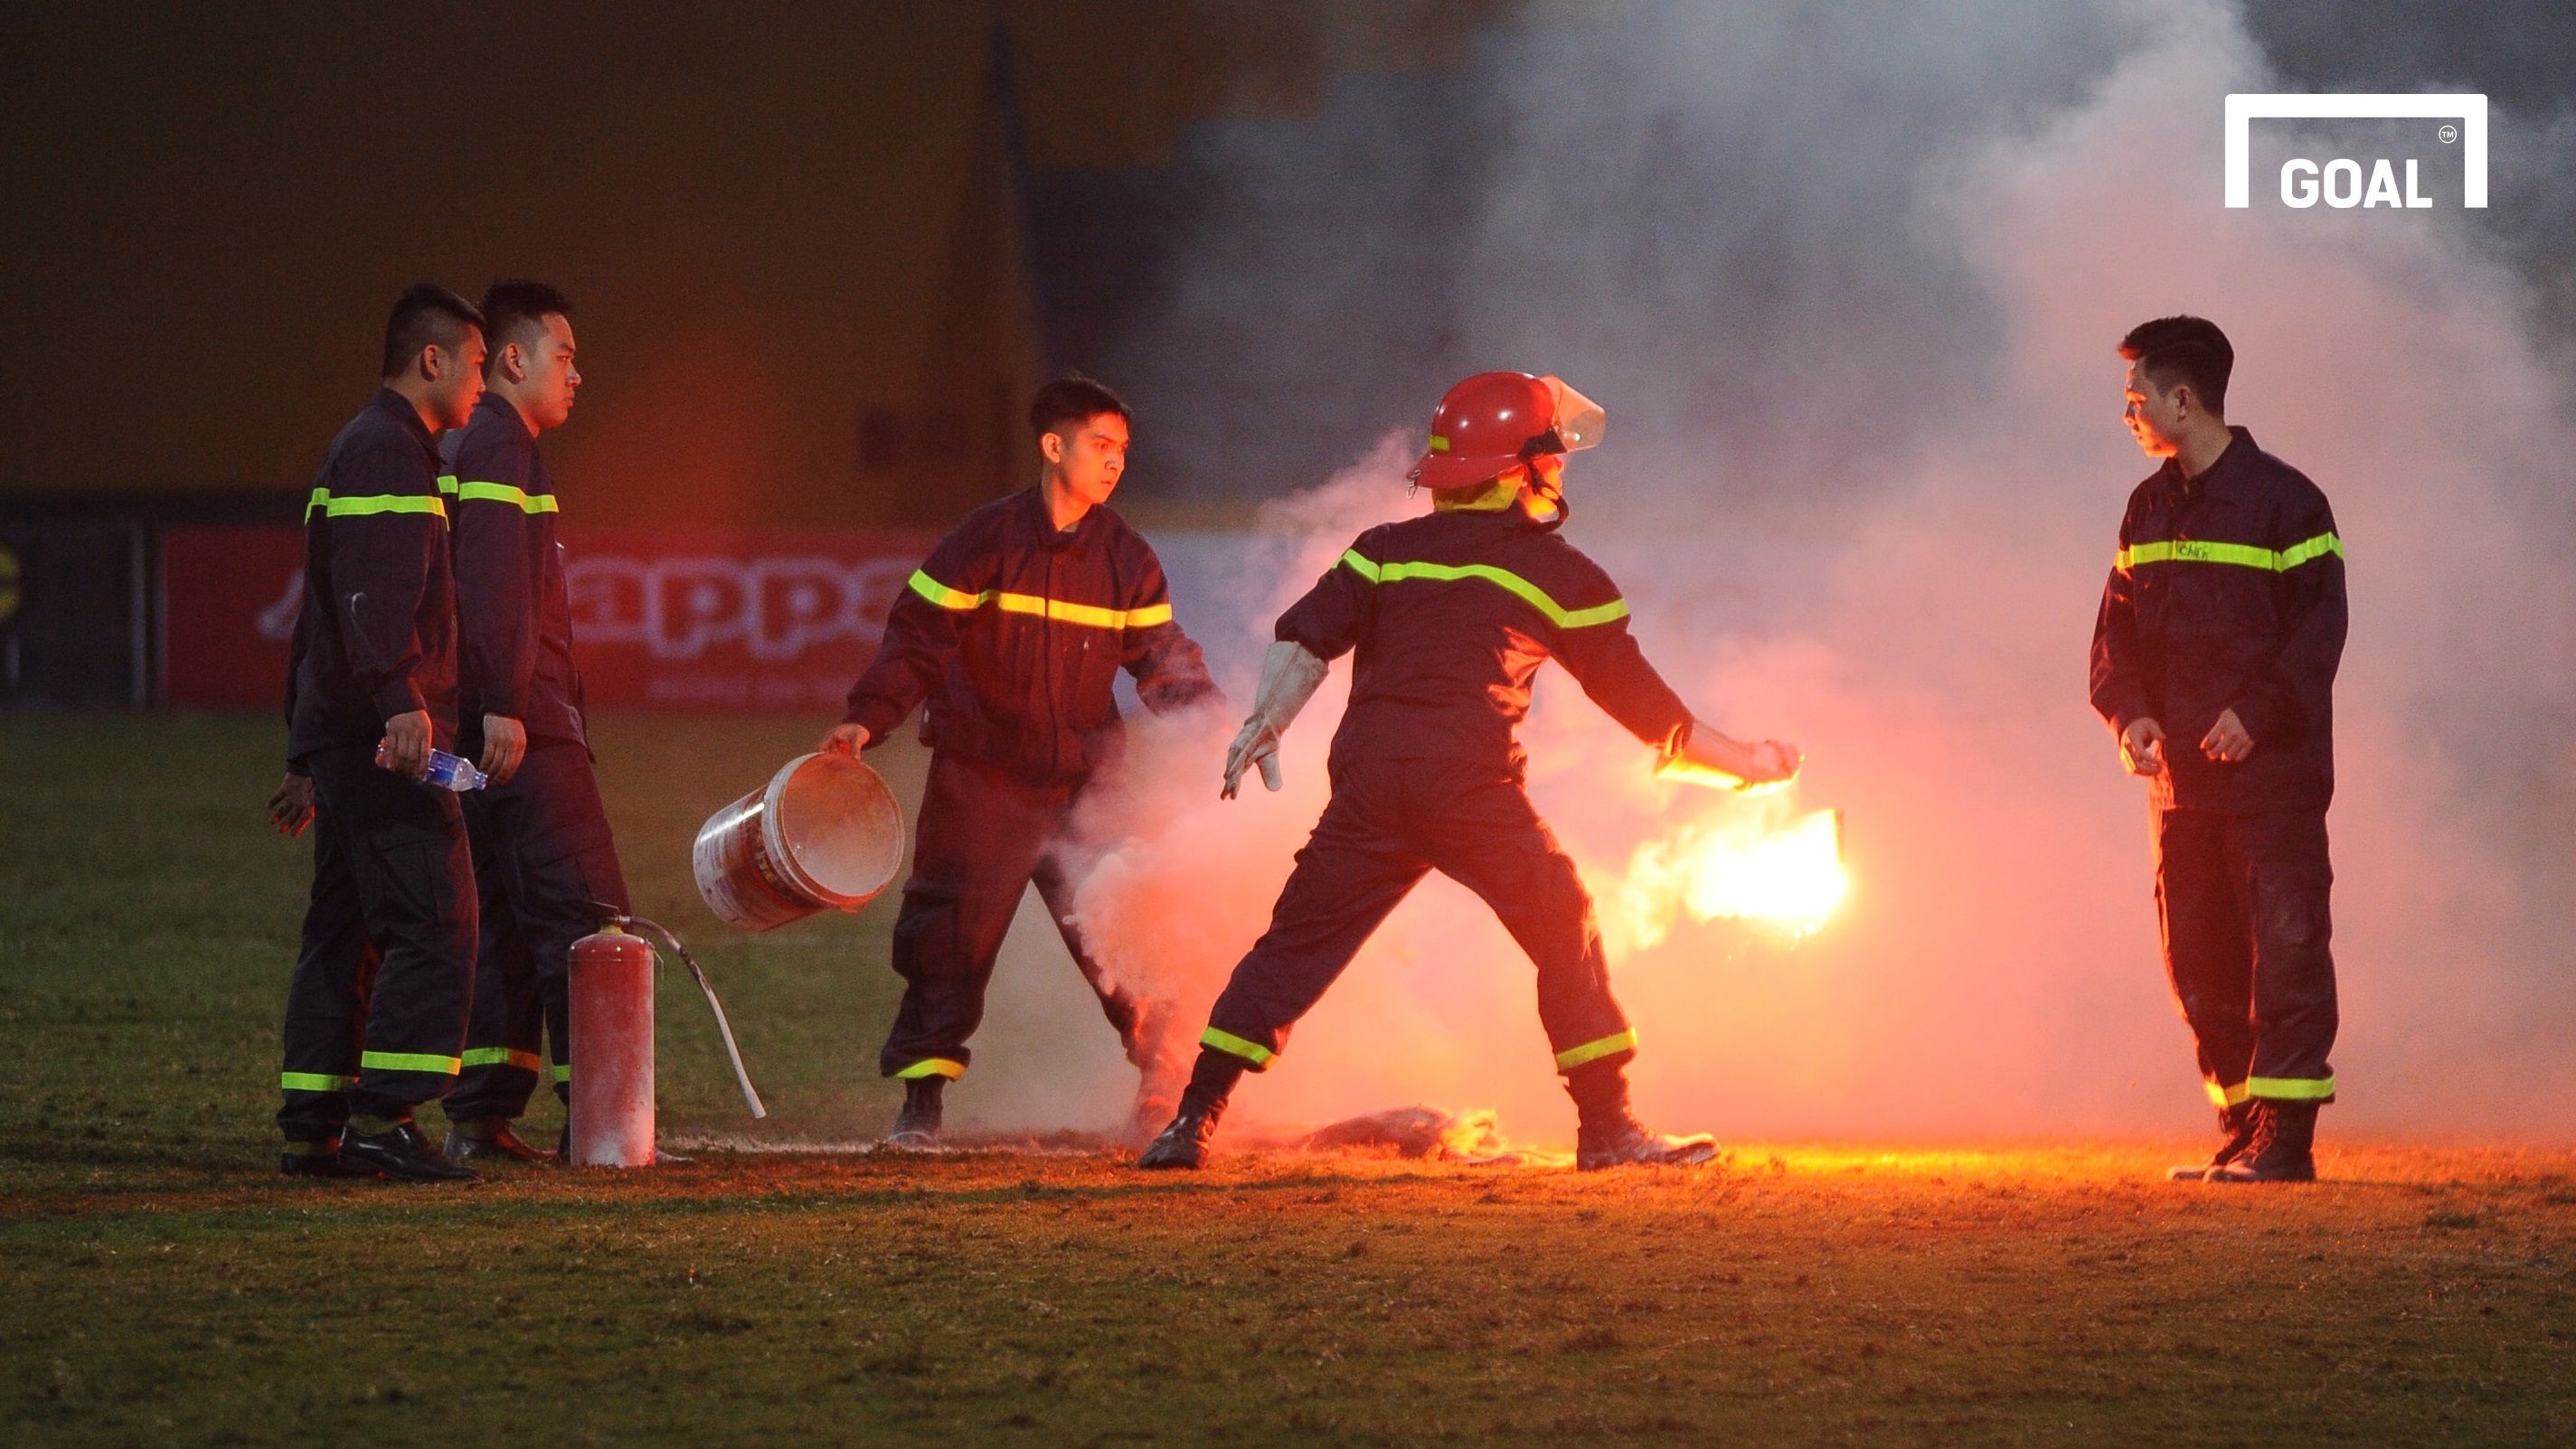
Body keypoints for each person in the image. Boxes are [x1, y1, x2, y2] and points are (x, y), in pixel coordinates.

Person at [1137, 371, 1800, 1171]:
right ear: (1520, 468)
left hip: (1372, 788)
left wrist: (1266, 719)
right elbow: (1651, 714)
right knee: (1565, 920)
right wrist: (1752, 764)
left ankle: (1190, 1122)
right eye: (1551, 455)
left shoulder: (1383, 551)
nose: (1560, 469)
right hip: (1468, 790)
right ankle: (1607, 1128)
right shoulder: (1559, 572)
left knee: (1288, 950)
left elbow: (1304, 639)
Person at [820, 375, 1221, 1146]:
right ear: (1053, 446)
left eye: (1123, 451)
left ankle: (1164, 1088)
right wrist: (866, 720)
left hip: (1085, 787)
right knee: (949, 941)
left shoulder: (1127, 557)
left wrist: (1217, 731)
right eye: (1101, 446)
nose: (1115, 464)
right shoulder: (984, 539)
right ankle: (922, 1107)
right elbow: (917, 640)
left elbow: (1165, 661)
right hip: (982, 781)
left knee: (1128, 934)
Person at [2090, 315, 2347, 1184]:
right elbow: (2112, 638)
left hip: (2271, 788)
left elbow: (2318, 634)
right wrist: (2127, 716)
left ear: (2182, 399)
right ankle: (2241, 1127)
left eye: (2136, 400)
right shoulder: (2144, 508)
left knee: (2284, 953)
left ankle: (2287, 1143)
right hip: (2181, 796)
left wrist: (2258, 713)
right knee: (2196, 964)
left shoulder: (2289, 502)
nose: (2127, 414)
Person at [275, 283, 491, 1181]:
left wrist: (302, 754)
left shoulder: (368, 449)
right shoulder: (387, 453)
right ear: (431, 359)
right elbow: (369, 597)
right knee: (437, 919)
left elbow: (315, 622)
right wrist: (405, 702)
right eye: (476, 364)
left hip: (341, 735)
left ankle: (318, 1121)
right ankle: (383, 1118)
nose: (481, 383)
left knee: (346, 927)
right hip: (384, 738)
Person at [435, 280, 630, 1164]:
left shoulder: (478, 444)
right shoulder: (501, 443)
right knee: (592, 915)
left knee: (506, 918)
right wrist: (511, 705)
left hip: (483, 721)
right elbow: (492, 587)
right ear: (513, 360)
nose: (577, 375)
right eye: (566, 356)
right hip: (523, 723)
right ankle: (607, 1125)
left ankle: (482, 1112)